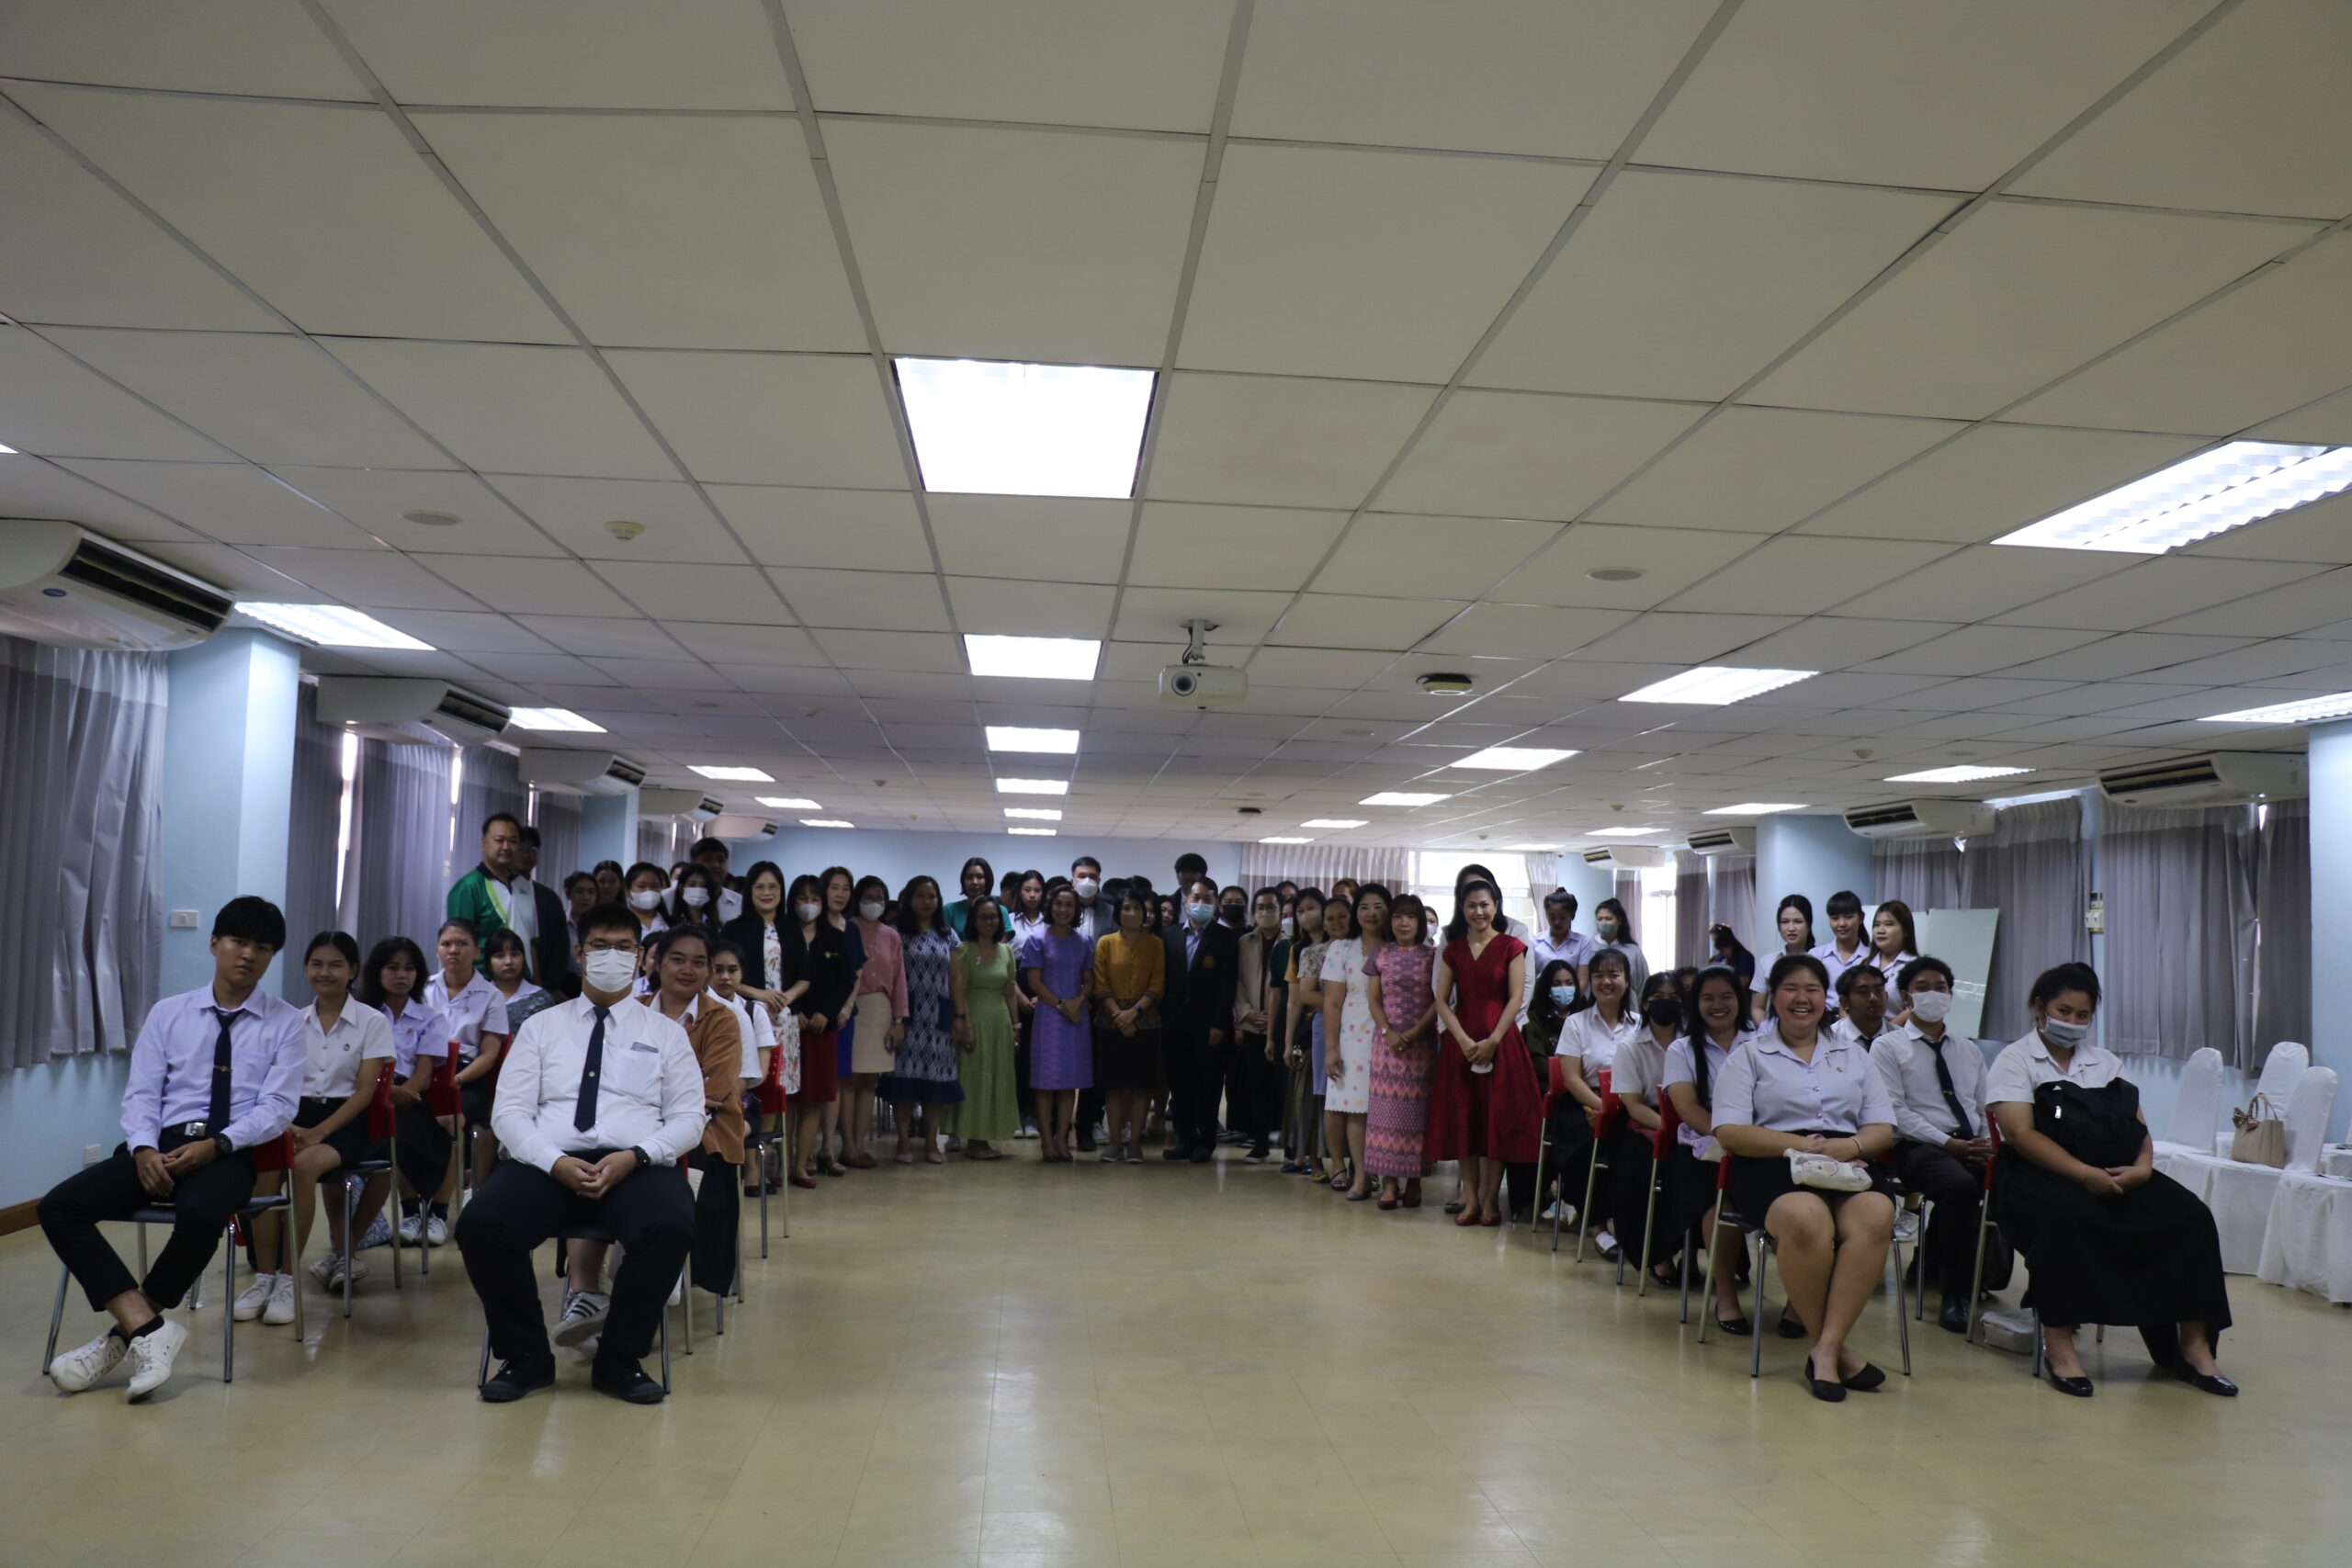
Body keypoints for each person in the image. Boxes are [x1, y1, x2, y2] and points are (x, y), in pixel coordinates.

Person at [40, 897, 305, 1402]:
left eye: (263, 947)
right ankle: (147, 1327)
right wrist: (142, 1149)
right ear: (215, 943)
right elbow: (143, 1092)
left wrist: (218, 1144)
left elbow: (278, 1106)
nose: (249, 954)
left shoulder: (286, 1022)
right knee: (59, 1206)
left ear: (272, 957)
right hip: (160, 1145)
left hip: (230, 1151)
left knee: (203, 1211)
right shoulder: (169, 1014)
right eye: (239, 941)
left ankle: (121, 1338)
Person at [457, 900, 700, 1404]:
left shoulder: (666, 1034)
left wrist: (637, 1155)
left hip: (633, 1165)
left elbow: (689, 1119)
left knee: (672, 1224)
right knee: (482, 1224)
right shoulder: (540, 1028)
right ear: (580, 953)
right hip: (548, 1163)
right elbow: (509, 1112)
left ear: (641, 958)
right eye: (600, 946)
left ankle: (620, 1358)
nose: (612, 956)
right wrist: (554, 1161)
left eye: (624, 948)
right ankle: (526, 1357)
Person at [1985, 963, 2235, 1397]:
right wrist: (2083, 1174)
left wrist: (2143, 1168)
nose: (2072, 1022)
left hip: (2117, 1170)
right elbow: (2020, 1134)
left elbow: (2136, 1126)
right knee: (2065, 1220)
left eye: (2082, 1015)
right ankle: (2060, 1346)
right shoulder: (2014, 1060)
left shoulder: (2105, 1062)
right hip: (2036, 1173)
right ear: (2040, 1008)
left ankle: (2195, 1349)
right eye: (2064, 1011)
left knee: (2191, 1217)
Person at [1710, 953, 1898, 1403]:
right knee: (1806, 1217)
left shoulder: (1853, 1055)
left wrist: (1851, 1147)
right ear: (1773, 997)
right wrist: (1799, 1146)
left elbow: (1881, 1128)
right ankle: (1833, 1351)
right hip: (1771, 1158)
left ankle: (1827, 1349)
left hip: (1844, 1159)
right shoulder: (1748, 1056)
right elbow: (1730, 1132)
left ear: (1825, 998)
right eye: (1791, 989)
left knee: (1876, 1212)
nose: (1802, 998)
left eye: (1812, 989)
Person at [237, 931, 394, 1324]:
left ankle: (288, 1281)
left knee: (304, 1166)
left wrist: (318, 1133)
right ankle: (264, 1278)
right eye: (317, 964)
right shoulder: (292, 1020)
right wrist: (289, 1124)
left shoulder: (372, 1021)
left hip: (346, 1121)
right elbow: (273, 1081)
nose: (325, 972)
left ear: (353, 970)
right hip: (293, 1115)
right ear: (306, 968)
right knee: (265, 1167)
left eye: (336, 965)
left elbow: (365, 1092)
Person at [1869, 956, 2000, 1333]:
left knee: (2018, 1181)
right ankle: (1956, 1293)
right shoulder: (1887, 1047)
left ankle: (1942, 1265)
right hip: (1918, 1146)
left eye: (1940, 988)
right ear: (1907, 997)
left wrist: (1986, 1144)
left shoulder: (1968, 1050)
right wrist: (1948, 1143)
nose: (1933, 995)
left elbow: (1985, 1105)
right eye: (1923, 988)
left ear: (1951, 996)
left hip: (1971, 1142)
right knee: (1961, 1187)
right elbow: (1895, 1110)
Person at [1426, 879, 1538, 1227]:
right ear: (1462, 909)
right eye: (1471, 905)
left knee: (1496, 1122)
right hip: (1461, 1045)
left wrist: (1493, 1040)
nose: (1479, 911)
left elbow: (1516, 998)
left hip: (1501, 1044)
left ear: (1496, 906)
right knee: (1465, 1121)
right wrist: (1461, 1040)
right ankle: (1471, 1200)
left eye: (1485, 904)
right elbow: (1441, 1000)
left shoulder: (1512, 946)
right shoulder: (1453, 950)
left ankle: (1490, 1201)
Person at [1663, 964, 1754, 1333]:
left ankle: (1799, 1303)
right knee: (1717, 1200)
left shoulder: (1762, 1041)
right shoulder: (1681, 1049)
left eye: (1726, 996)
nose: (1718, 1005)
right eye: (1707, 998)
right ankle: (1725, 1295)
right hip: (1705, 1145)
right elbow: (1688, 1108)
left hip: (1760, 1141)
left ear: (1740, 1000)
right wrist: (1730, 1138)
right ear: (1694, 1003)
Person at [415, 919, 509, 1245]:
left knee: (450, 1119)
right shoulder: (423, 989)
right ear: (437, 950)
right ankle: (412, 1209)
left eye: (462, 943)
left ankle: (439, 1211)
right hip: (423, 1072)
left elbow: (489, 1054)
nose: (453, 950)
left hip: (467, 1076)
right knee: (402, 1119)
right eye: (446, 944)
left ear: (477, 951)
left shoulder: (491, 995)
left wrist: (454, 1079)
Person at [367, 936, 453, 1256]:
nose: (401, 975)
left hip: (411, 1093)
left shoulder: (430, 1018)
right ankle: (412, 1212)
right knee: (396, 1126)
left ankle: (435, 1213)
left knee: (422, 1125)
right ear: (377, 971)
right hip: (367, 1092)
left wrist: (402, 1093)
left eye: (409, 968)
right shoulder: (365, 1014)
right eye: (393, 967)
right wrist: (384, 1093)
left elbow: (424, 1072)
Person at [720, 861, 803, 1183]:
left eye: (773, 887)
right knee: (746, 1086)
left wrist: (787, 996)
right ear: (749, 892)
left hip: (784, 1020)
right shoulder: (734, 929)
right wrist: (760, 995)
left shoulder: (791, 928)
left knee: (774, 1092)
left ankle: (765, 1159)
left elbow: (805, 976)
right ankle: (747, 1162)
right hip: (746, 1015)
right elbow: (724, 975)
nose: (767, 893)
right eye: (760, 887)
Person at [1551, 947, 1639, 1246]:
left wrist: (1615, 1111)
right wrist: (1600, 1107)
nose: (1606, 982)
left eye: (1614, 974)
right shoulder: (1576, 1023)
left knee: (1633, 1148)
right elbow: (1571, 1078)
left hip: (1629, 1105)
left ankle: (1627, 1220)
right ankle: (1596, 1224)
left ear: (1627, 980)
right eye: (1599, 975)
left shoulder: (1640, 1025)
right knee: (1582, 1146)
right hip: (1583, 1102)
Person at [878, 875, 964, 1164]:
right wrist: (895, 1018)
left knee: (935, 1084)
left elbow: (956, 978)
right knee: (904, 1083)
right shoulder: (895, 933)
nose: (927, 902)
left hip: (939, 1017)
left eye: (932, 896)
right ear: (909, 899)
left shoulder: (948, 934)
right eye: (920, 896)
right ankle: (903, 1141)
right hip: (906, 1016)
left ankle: (930, 1143)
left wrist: (961, 1016)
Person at [1363, 894, 1438, 1210]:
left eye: (1410, 917)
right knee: (1386, 1116)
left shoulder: (1434, 956)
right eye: (1397, 917)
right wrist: (1388, 1032)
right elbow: (1373, 1000)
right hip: (1387, 1046)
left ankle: (1415, 1181)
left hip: (1422, 1044)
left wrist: (1416, 1031)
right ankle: (1389, 1184)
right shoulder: (1379, 955)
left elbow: (1439, 999)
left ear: (1420, 922)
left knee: (1419, 1116)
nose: (1403, 923)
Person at [787, 869, 863, 1183]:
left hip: (822, 1029)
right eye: (802, 898)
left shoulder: (834, 937)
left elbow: (847, 980)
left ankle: (801, 1164)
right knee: (788, 1100)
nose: (809, 904)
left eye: (815, 899)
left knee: (815, 1099)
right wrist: (794, 1011)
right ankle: (783, 1162)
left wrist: (827, 1013)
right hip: (787, 1026)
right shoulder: (783, 934)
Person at [1611, 973, 1685, 1282]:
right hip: (1647, 1121)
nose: (1665, 1003)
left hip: (1690, 1119)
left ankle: (1693, 1250)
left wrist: (1689, 1127)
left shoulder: (1694, 1041)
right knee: (1641, 1169)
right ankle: (1657, 1254)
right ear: (1644, 1003)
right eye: (1658, 997)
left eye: (1673, 997)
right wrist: (1671, 1128)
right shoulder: (1630, 1047)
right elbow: (1633, 1104)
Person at [1159, 876, 1238, 1163]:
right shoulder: (1169, 935)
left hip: (1210, 1026)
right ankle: (1184, 1140)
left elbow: (1227, 985)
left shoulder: (1226, 938)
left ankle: (1205, 1140)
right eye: (1196, 898)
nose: (1201, 903)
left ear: (1215, 903)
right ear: (1186, 901)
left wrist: (1219, 1023)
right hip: (1175, 1025)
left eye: (1207, 899)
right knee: (1179, 1086)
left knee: (1208, 1085)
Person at [1321, 883, 1391, 1198]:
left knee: (1384, 1108)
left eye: (1378, 907)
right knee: (1354, 1108)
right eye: (1364, 907)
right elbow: (1332, 1003)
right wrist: (1331, 1048)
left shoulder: (1399, 946)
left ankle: (1381, 1172)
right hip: (1353, 1037)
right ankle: (1361, 1174)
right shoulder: (1342, 949)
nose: (1371, 913)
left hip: (1392, 1035)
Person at [447, 812, 567, 989]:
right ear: (484, 843)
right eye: (499, 840)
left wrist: (538, 988)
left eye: (513, 841)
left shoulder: (524, 886)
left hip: (523, 988)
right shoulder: (468, 888)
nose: (506, 847)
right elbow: (458, 946)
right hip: (483, 987)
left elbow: (531, 944)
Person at [1089, 889, 1165, 1165]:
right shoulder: (1105, 943)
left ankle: (1134, 1143)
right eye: (1126, 908)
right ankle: (1114, 1142)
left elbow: (1157, 985)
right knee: (1114, 1086)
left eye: (1136, 908)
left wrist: (1133, 1013)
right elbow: (1100, 984)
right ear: (1117, 912)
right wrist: (1119, 1015)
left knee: (1141, 1086)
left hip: (1146, 1022)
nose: (1131, 913)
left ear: (1145, 914)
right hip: (1109, 1023)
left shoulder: (1155, 944)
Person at [1021, 882, 1094, 1162]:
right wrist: (1063, 1005)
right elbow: (1034, 983)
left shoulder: (1084, 941)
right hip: (1049, 1017)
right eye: (1059, 904)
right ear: (1050, 907)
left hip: (1077, 1016)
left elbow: (1089, 980)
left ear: (1076, 909)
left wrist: (1078, 1000)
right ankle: (1046, 1140)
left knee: (1069, 1082)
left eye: (1069, 905)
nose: (1063, 909)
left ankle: (1063, 1138)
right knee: (1046, 1082)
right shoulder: (1037, 940)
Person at [842, 874, 908, 1168]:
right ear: (858, 899)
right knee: (848, 1080)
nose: (874, 903)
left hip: (881, 1010)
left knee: (870, 1081)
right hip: (851, 1008)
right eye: (868, 897)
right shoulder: (846, 928)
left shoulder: (891, 935)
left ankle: (859, 1145)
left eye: (879, 898)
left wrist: (899, 1020)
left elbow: (899, 979)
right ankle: (846, 1145)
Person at [948, 897, 1022, 1158]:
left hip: (1000, 1025)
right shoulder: (963, 951)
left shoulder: (1007, 951)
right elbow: (960, 991)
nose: (989, 922)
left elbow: (1010, 991)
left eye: (993, 917)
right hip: (975, 1022)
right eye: (983, 917)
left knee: (997, 1079)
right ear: (973, 920)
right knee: (975, 1080)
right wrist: (966, 1024)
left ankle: (987, 1136)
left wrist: (1016, 1025)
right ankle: (974, 1140)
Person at [1230, 886, 1286, 1162]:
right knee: (1258, 1086)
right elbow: (1237, 982)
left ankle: (1291, 1149)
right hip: (1252, 1024)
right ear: (1253, 912)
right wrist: (1247, 1013)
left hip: (1282, 1026)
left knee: (1284, 1088)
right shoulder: (1244, 942)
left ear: (1281, 910)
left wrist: (1273, 1018)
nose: (1266, 912)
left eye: (1271, 906)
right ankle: (1260, 1144)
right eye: (1260, 907)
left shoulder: (1290, 943)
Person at [1280, 888, 1330, 1179]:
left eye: (1311, 908)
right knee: (1308, 1099)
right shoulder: (1298, 950)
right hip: (1308, 1034)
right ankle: (1315, 1160)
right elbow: (1294, 1000)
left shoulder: (1341, 944)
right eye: (1300, 911)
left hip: (1343, 1029)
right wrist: (1288, 1041)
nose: (1305, 915)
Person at [1522, 888, 1595, 1022]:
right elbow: (1530, 978)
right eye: (1552, 917)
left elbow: (1582, 980)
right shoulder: (1535, 942)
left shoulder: (1582, 942)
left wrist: (1568, 1008)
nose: (1557, 922)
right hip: (1541, 1005)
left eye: (1562, 917)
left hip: (1575, 1006)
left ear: (1572, 916)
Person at [1811, 889, 1872, 1002]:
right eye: (1835, 918)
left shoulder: (1872, 957)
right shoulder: (1816, 956)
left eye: (1848, 917)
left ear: (1861, 918)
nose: (1842, 924)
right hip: (1824, 1013)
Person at [1591, 897, 1648, 994]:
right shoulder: (1587, 947)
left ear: (1619, 921)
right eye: (1599, 919)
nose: (1603, 923)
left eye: (1608, 919)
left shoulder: (1633, 951)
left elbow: (1643, 984)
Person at [1828, 964, 1889, 1046]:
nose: (1873, 998)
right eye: (1863, 992)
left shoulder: (1901, 1037)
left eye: (1879, 990)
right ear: (1844, 1002)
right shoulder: (1829, 1038)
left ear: (1887, 996)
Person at [689, 837, 745, 922]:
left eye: (720, 860)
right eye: (707, 860)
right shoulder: (674, 897)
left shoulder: (739, 902)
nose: (715, 865)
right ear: (692, 863)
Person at [944, 856, 995, 940]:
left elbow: (1001, 944)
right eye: (969, 877)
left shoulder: (1000, 911)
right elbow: (944, 943)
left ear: (988, 880)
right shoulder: (949, 910)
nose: (974, 882)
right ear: (963, 881)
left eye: (980, 877)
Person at [1869, 898, 1919, 981]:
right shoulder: (1865, 964)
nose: (1880, 931)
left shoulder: (1917, 967)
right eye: (1877, 925)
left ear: (1906, 930)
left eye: (1888, 924)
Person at [623, 861, 671, 943]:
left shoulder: (671, 923)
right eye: (641, 886)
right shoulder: (618, 923)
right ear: (627, 891)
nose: (649, 891)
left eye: (654, 886)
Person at [1709, 924, 1756, 992]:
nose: (1722, 954)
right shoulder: (1723, 956)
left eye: (1722, 950)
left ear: (1729, 945)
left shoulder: (1744, 957)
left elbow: (1743, 982)